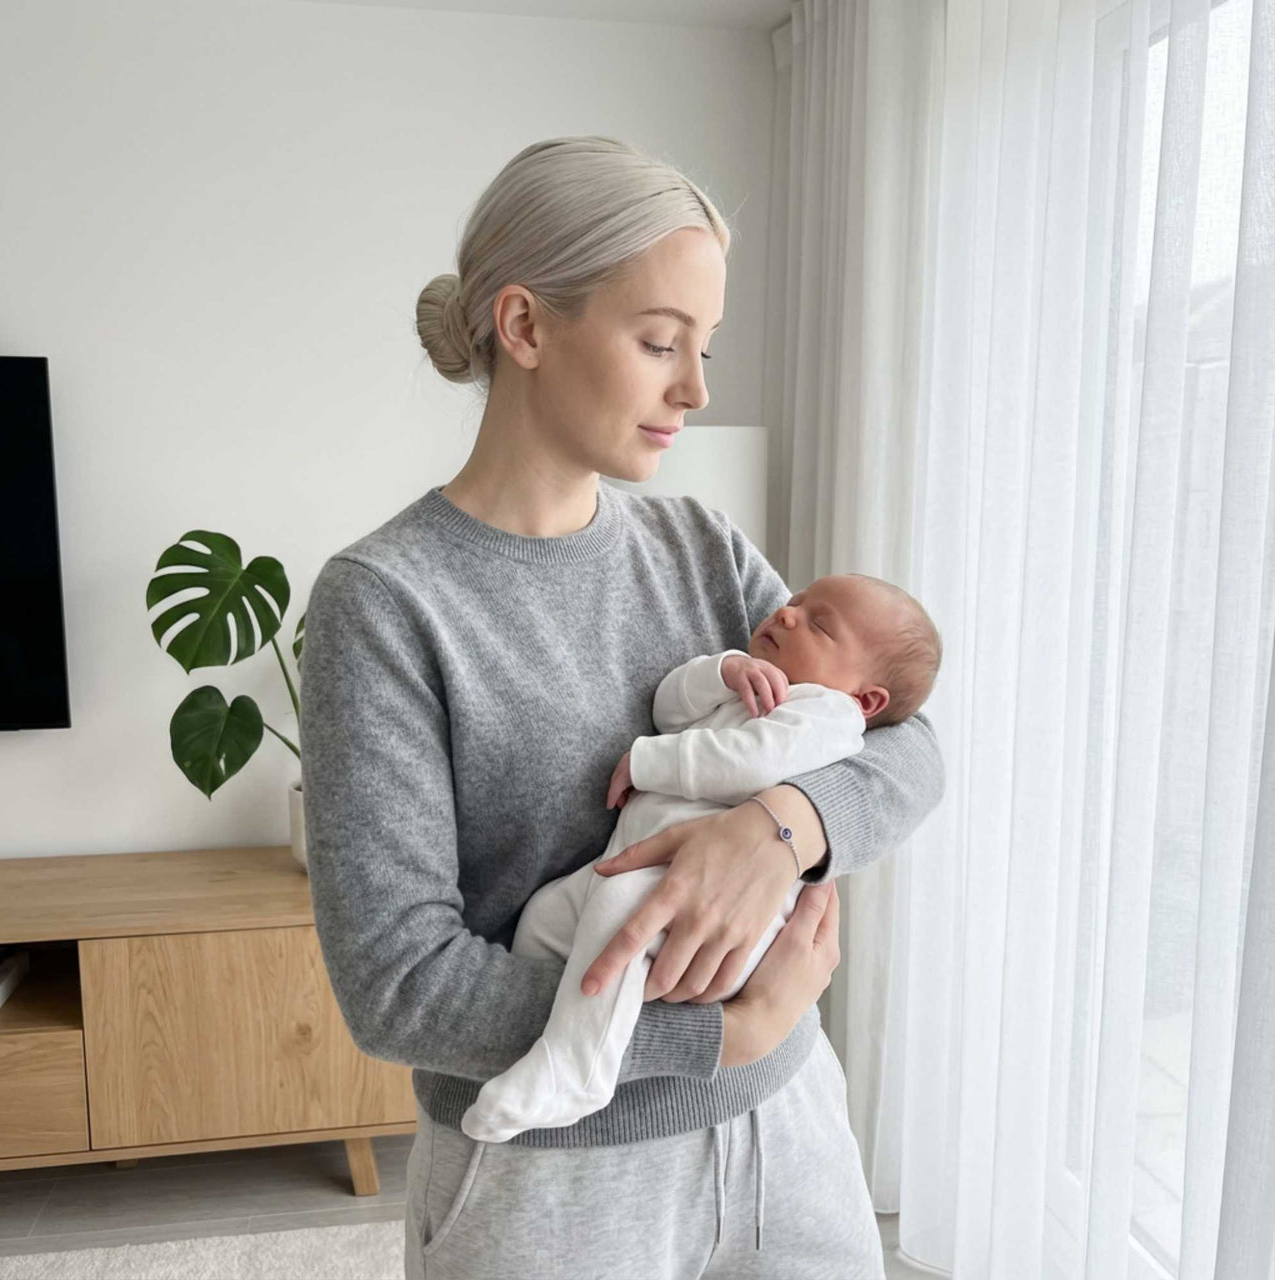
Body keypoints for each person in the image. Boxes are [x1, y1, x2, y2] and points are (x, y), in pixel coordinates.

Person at [298, 136, 945, 1280]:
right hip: (552, 1181)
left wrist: (775, 827)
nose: (694, 389)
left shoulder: (698, 545)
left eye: (703, 348)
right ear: (526, 327)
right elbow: (400, 985)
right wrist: (710, 1032)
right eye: (659, 343)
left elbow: (903, 746)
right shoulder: (386, 602)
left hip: (786, 1126)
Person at [460, 573, 941, 1144]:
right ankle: (568, 1031)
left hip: (708, 907)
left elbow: (751, 763)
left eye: (819, 625)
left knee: (621, 915)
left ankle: (578, 1065)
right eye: (796, 602)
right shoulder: (755, 685)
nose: (787, 614)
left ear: (865, 699)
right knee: (543, 917)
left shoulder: (827, 714)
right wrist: (721, 671)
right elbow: (667, 708)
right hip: (635, 870)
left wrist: (648, 762)